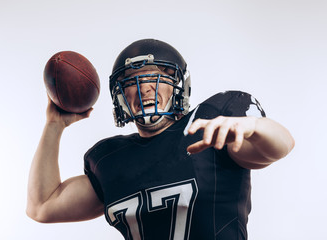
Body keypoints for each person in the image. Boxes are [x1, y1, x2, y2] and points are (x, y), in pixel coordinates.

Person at [27, 39, 295, 239]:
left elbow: (280, 146)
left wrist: (253, 126)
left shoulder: (212, 124)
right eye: (131, 81)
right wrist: (54, 125)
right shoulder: (111, 159)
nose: (144, 87)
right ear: (120, 96)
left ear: (179, 85)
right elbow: (42, 206)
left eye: (157, 76)